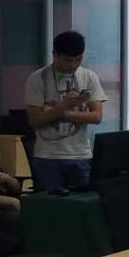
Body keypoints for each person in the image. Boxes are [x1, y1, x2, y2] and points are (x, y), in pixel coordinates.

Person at [23, 31, 106, 192]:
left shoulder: (89, 77)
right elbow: (35, 121)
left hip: (81, 155)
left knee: (83, 202)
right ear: (55, 55)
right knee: (50, 204)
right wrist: (64, 106)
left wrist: (63, 112)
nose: (73, 65)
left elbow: (96, 116)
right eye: (68, 60)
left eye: (78, 59)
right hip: (47, 157)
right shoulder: (38, 78)